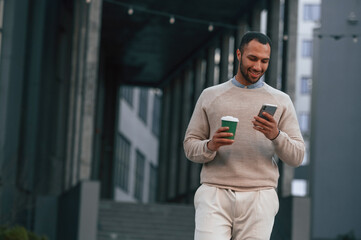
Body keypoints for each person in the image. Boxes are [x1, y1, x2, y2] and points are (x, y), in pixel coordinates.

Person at [183, 31, 305, 240]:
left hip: (260, 196)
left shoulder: (281, 100)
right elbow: (189, 146)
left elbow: (297, 156)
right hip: (214, 193)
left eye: (264, 61)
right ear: (239, 54)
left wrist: (276, 135)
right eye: (253, 58)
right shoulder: (210, 96)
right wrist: (210, 146)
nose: (258, 67)